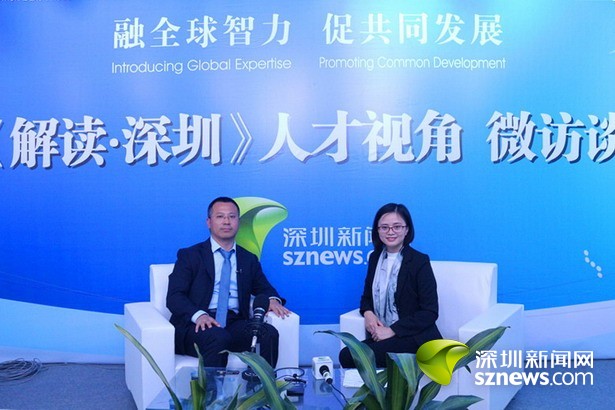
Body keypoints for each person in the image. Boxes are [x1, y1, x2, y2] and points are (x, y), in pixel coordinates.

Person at [167, 196, 290, 368]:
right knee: (218, 337)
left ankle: (261, 383)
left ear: (238, 222)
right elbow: (174, 297)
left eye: (232, 217)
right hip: (196, 325)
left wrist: (273, 300)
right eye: (220, 216)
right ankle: (212, 387)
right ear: (209, 222)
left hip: (234, 323)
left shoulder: (248, 259)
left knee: (268, 333)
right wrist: (199, 315)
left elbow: (265, 288)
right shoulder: (190, 256)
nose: (226, 222)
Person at [339, 203, 442, 368]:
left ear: (407, 230)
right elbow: (366, 298)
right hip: (384, 335)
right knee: (347, 354)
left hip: (416, 338)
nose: (390, 232)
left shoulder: (419, 261)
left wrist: (392, 330)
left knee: (351, 356)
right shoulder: (375, 258)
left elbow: (429, 312)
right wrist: (368, 314)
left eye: (397, 226)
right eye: (384, 227)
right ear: (377, 230)